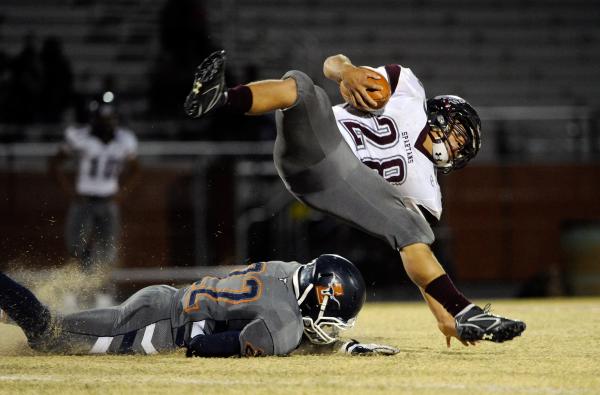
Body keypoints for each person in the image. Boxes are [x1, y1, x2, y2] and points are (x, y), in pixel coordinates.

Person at [183, 50, 526, 346]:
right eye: (460, 139)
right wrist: (345, 72)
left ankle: (460, 310)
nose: (458, 150)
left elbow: (416, 250)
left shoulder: (428, 190)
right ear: (443, 115)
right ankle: (221, 99)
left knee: (412, 227)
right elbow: (332, 63)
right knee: (303, 87)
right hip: (316, 142)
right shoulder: (405, 90)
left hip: (342, 181)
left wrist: (443, 318)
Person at [0, 254, 398, 357]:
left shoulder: (287, 270)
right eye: (332, 316)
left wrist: (339, 345)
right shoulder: (285, 324)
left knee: (51, 328)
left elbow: (274, 315)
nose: (329, 326)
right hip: (154, 327)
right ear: (317, 294)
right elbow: (203, 347)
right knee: (48, 334)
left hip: (165, 299)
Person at [48, 94, 140, 275]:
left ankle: (103, 291)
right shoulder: (80, 136)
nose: (108, 123)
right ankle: (75, 289)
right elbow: (54, 164)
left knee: (107, 249)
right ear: (94, 119)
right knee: (75, 246)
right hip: (84, 199)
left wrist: (122, 192)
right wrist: (70, 191)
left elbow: (136, 170)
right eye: (104, 119)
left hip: (108, 200)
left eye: (111, 119)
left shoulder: (125, 139)